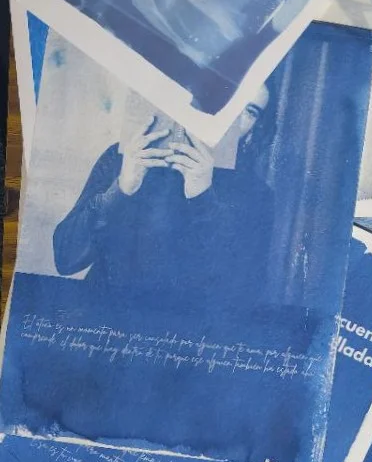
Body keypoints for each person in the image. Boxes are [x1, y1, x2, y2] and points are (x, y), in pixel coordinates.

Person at [53, 84, 276, 307]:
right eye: (232, 100)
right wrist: (121, 189)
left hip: (182, 324)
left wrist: (203, 199)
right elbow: (66, 258)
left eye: (250, 111)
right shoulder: (129, 156)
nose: (234, 118)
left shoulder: (256, 193)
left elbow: (243, 294)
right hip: (105, 314)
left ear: (254, 128)